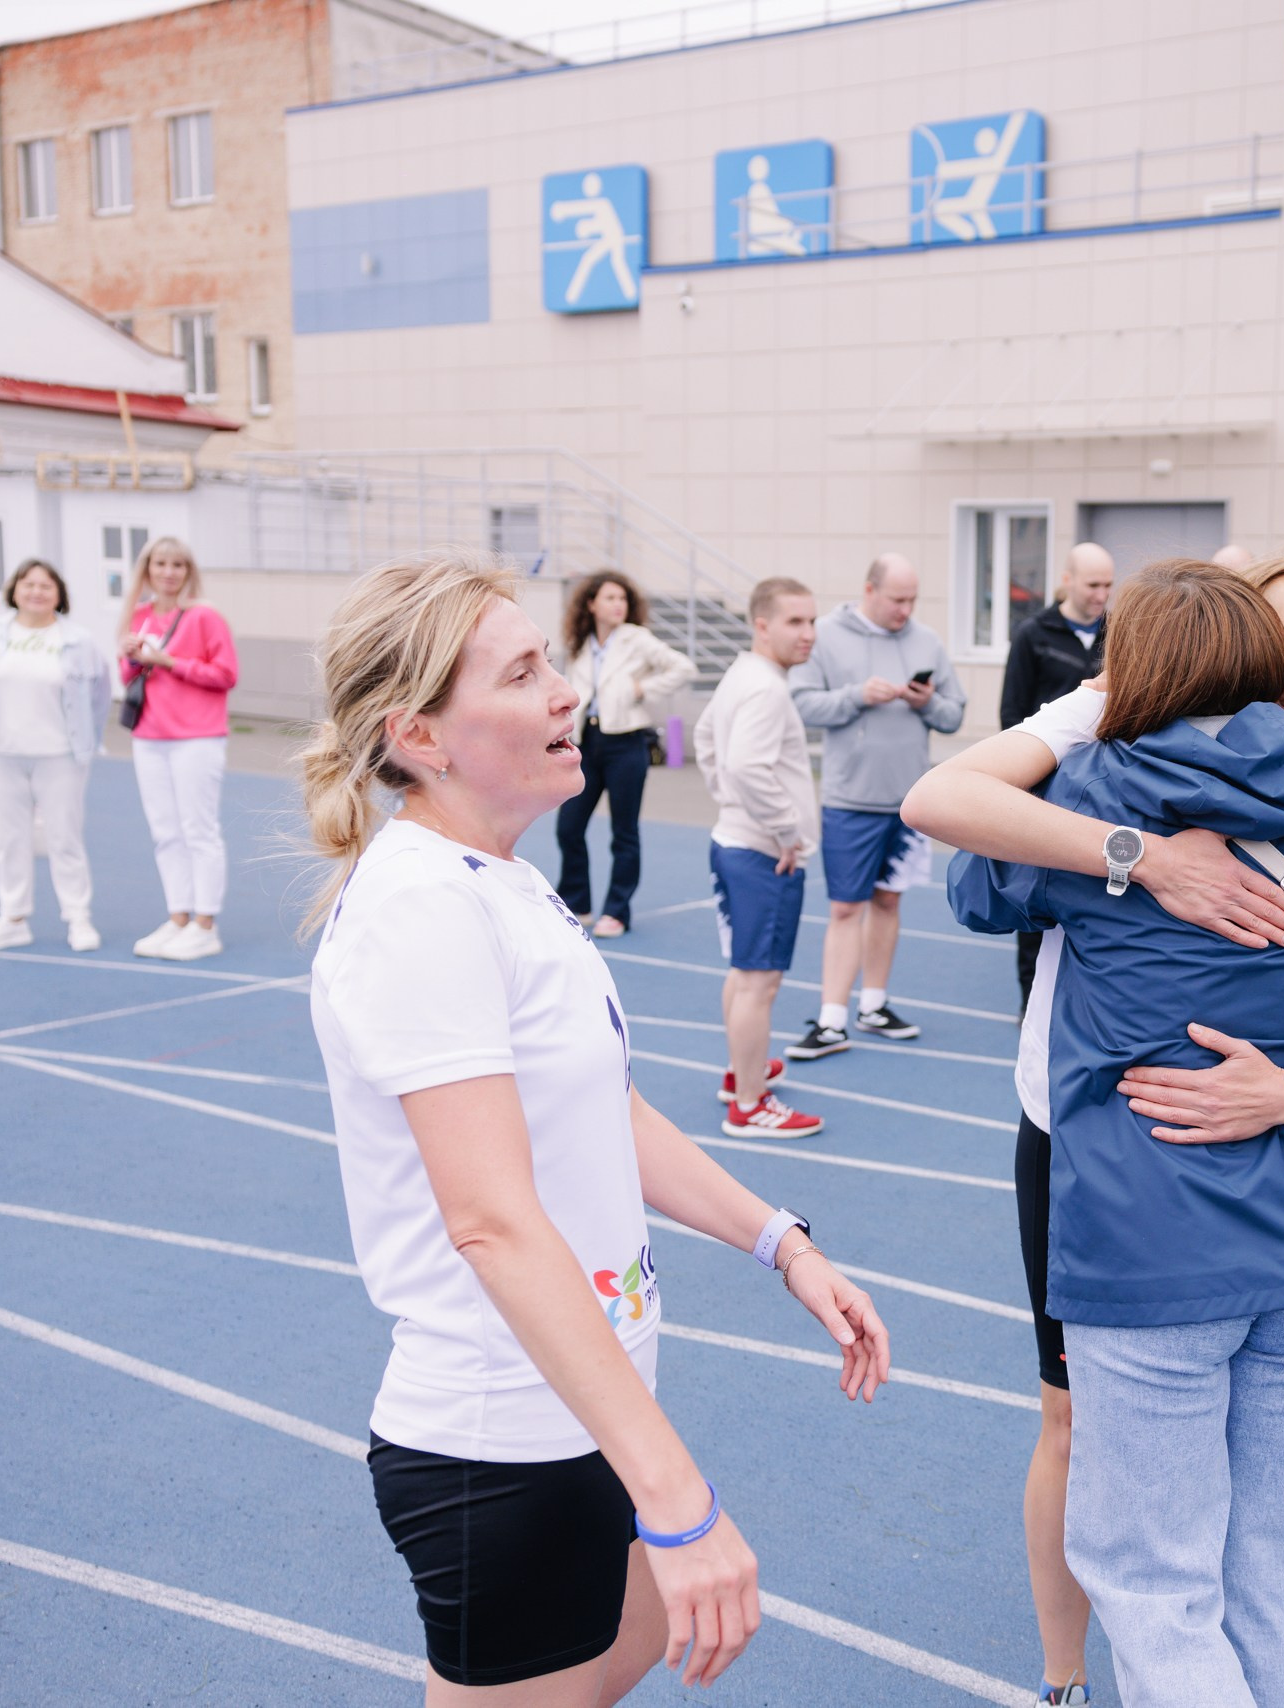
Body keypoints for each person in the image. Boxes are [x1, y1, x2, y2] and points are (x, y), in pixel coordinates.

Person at [299, 549, 889, 1705]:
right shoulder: (422, 909)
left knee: (628, 1650)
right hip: (495, 1441)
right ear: (420, 733)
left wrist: (783, 1242)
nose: (567, 690)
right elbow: (493, 1222)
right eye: (524, 673)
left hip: (571, 1417)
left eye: (550, 662)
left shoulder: (502, 882)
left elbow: (600, 1114)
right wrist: (675, 1492)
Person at [908, 554, 1284, 1708]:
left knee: (1149, 1574)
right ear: (1252, 655)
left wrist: (1097, 744)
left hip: (1149, 1239)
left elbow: (957, 841)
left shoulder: (1089, 786)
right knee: (1273, 1554)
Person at [786, 553, 965, 1058]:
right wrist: (856, 696)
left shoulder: (926, 640)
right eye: (897, 600)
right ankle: (831, 1019)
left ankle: (874, 1005)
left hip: (909, 801)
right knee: (846, 907)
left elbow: (954, 714)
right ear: (869, 590)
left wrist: (923, 701)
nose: (906, 610)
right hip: (851, 798)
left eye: (912, 600)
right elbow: (799, 703)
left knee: (889, 901)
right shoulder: (826, 635)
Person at [694, 579, 827, 1138]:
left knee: (745, 973)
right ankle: (749, 1103)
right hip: (762, 854)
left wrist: (728, 799)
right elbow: (747, 767)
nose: (808, 634)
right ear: (762, 625)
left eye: (812, 621)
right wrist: (785, 831)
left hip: (737, 841)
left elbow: (705, 738)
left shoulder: (742, 676)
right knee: (759, 982)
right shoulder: (767, 689)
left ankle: (740, 1071)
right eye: (795, 622)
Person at [0, 559, 111, 953]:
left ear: (59, 594)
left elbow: (98, 696)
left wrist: (87, 742)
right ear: (14, 590)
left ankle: (78, 918)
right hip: (1, 751)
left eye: (46, 585)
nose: (36, 592)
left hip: (60, 754)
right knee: (10, 838)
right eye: (28, 584)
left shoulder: (77, 640)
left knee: (64, 837)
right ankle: (13, 918)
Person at [1000, 542, 1115, 1007]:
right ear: (1066, 579)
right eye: (1092, 585)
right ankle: (1031, 1002)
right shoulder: (1033, 633)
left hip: (1102, 791)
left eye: (1109, 585)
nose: (1101, 595)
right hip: (1046, 788)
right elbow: (1012, 712)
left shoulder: (1118, 632)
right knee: (1038, 896)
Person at [555, 571, 695, 938]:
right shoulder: (581, 643)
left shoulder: (637, 639)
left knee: (624, 832)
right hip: (586, 742)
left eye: (623, 599)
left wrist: (642, 688)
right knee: (568, 826)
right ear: (591, 604)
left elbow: (683, 667)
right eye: (610, 598)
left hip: (626, 743)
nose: (618, 605)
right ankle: (577, 903)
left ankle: (616, 911)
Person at [117, 537, 238, 961]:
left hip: (197, 736)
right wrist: (132, 656)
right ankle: (179, 917)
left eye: (177, 565)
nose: (168, 572)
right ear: (147, 570)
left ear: (188, 572)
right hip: (149, 736)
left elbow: (226, 674)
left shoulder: (205, 617)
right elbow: (126, 674)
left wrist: (171, 662)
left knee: (198, 829)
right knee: (165, 832)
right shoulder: (140, 616)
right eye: (160, 564)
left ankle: (206, 923)